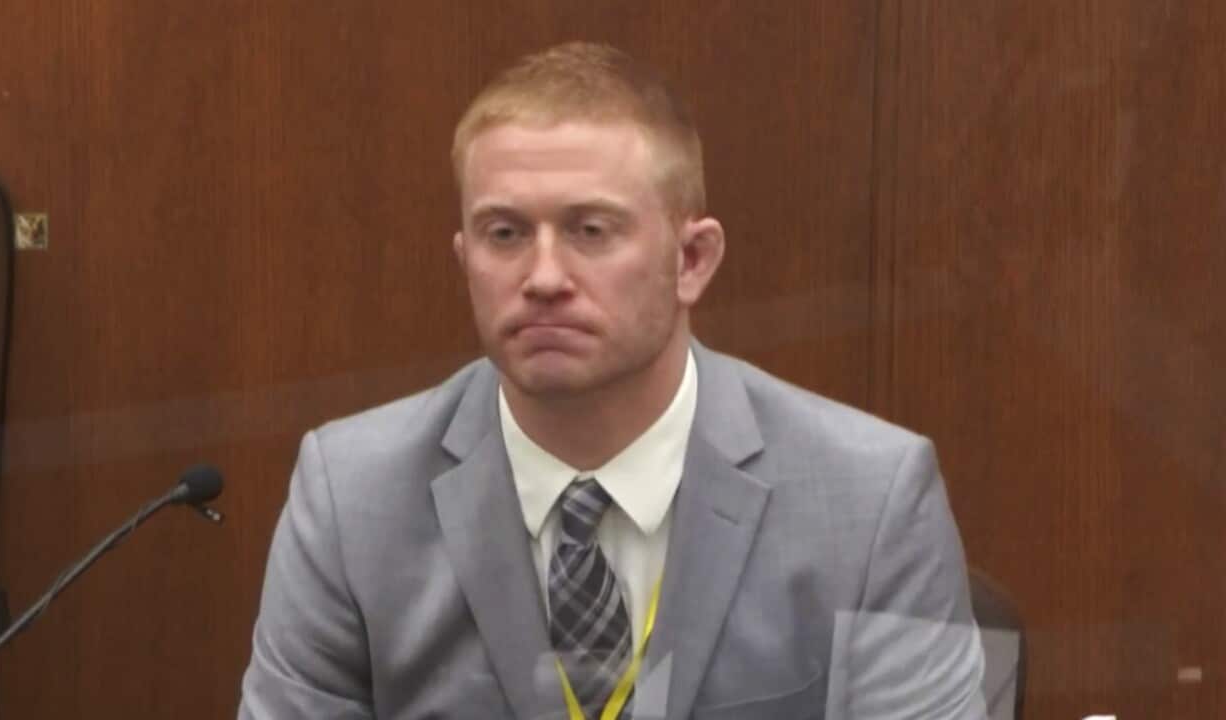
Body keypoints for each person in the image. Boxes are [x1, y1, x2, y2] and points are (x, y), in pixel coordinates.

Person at [239, 41, 986, 720]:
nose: (543, 277)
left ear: (691, 260)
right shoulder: (351, 494)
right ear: (465, 258)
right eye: (505, 234)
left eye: (590, 231)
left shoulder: (872, 498)